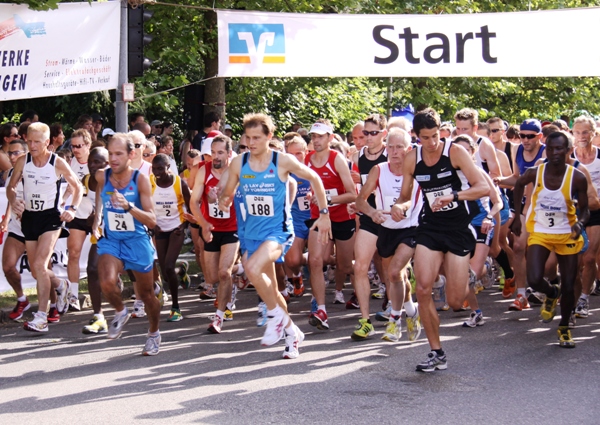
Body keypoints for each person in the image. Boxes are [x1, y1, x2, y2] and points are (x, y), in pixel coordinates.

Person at [218, 113, 331, 359]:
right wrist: (223, 199)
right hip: (250, 234)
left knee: (252, 268)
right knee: (271, 290)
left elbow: (315, 179)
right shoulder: (239, 162)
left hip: (277, 231)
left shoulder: (282, 161)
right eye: (248, 137)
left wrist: (324, 214)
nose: (252, 142)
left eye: (257, 137)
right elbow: (226, 193)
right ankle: (292, 332)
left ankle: (273, 318)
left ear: (269, 137)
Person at [393, 108, 487, 372]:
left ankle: (469, 275)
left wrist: (454, 197)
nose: (432, 143)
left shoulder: (455, 152)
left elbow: (482, 187)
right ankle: (436, 352)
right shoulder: (412, 159)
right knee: (423, 289)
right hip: (430, 228)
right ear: (416, 137)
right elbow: (405, 195)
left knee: (456, 303)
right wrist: (399, 207)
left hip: (457, 229)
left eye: (435, 136)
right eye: (426, 138)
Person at [511, 131, 589, 348]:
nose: (555, 153)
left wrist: (580, 223)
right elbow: (518, 186)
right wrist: (517, 216)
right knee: (534, 279)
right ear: (547, 149)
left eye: (560, 149)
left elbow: (585, 210)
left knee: (570, 284)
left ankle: (564, 327)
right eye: (551, 148)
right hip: (540, 232)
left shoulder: (577, 177)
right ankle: (551, 293)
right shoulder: (536, 172)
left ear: (567, 151)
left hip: (566, 235)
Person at [7, 122, 83, 333]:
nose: (32, 145)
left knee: (40, 264)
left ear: (47, 142)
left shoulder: (57, 162)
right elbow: (11, 187)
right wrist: (14, 201)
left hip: (51, 217)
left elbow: (77, 186)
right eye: (29, 141)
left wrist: (73, 209)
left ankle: (41, 316)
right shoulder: (24, 161)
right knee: (35, 268)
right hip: (29, 217)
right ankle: (61, 285)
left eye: (37, 142)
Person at [92, 133, 160, 355]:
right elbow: (99, 199)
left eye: (119, 154)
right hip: (112, 240)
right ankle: (121, 311)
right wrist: (96, 221)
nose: (113, 158)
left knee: (148, 294)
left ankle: (153, 333)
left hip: (137, 240)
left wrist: (128, 206)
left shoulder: (139, 179)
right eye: (111, 153)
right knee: (106, 281)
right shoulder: (103, 176)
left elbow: (152, 220)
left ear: (131, 155)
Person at [356, 128, 423, 342]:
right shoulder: (379, 170)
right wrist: (372, 211)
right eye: (391, 147)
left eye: (399, 147)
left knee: (395, 272)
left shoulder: (417, 171)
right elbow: (360, 200)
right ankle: (412, 310)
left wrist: (405, 207)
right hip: (387, 230)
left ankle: (394, 322)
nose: (394, 152)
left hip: (411, 229)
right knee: (397, 277)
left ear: (409, 149)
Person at [305, 120, 357, 332]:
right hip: (319, 219)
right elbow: (309, 189)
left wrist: (326, 200)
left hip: (342, 218)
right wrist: (311, 195)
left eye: (320, 136)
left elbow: (353, 194)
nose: (316, 140)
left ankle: (366, 277)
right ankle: (321, 309)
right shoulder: (307, 160)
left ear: (330, 138)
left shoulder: (337, 160)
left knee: (345, 266)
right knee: (315, 261)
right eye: (313, 136)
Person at [190, 135, 239, 333]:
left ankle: (218, 317)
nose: (216, 157)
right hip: (211, 228)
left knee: (223, 272)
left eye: (220, 152)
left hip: (233, 229)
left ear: (228, 153)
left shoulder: (236, 172)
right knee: (211, 278)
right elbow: (194, 202)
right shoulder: (204, 170)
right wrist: (203, 223)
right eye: (213, 153)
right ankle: (242, 270)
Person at [350, 113, 390, 340]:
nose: (369, 137)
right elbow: (363, 190)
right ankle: (366, 321)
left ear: (383, 134)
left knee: (393, 270)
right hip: (369, 216)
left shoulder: (392, 154)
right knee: (359, 267)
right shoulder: (359, 157)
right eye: (366, 133)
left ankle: (397, 312)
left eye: (374, 133)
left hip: (391, 217)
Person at [150, 154, 191, 322]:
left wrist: (184, 226)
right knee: (166, 272)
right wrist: (152, 225)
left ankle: (176, 307)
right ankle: (180, 271)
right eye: (154, 168)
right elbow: (146, 205)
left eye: (160, 168)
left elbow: (191, 207)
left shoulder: (179, 184)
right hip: (160, 229)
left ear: (168, 167)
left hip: (176, 229)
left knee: (167, 265)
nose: (157, 172)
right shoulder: (150, 183)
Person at [571, 115, 600, 318]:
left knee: (590, 258)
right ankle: (574, 294)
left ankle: (583, 299)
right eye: (578, 132)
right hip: (573, 214)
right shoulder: (568, 158)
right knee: (577, 261)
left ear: (593, 133)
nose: (581, 136)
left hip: (596, 210)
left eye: (585, 132)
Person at [81, 147, 110, 334]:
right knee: (92, 269)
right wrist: (94, 219)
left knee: (132, 271)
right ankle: (98, 316)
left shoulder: (122, 178)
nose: (92, 166)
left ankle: (147, 296)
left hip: (127, 232)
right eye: (90, 162)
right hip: (102, 231)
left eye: (97, 162)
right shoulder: (91, 180)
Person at [65, 129, 94, 311]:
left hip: (97, 215)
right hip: (78, 215)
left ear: (88, 145)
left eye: (79, 146)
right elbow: (68, 188)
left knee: (105, 256)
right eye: (72, 146)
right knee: (73, 253)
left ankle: (114, 282)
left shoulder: (97, 161)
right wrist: (62, 203)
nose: (75, 150)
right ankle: (73, 295)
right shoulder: (69, 164)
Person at [2, 139, 29, 320]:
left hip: (36, 228)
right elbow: (12, 195)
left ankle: (56, 299)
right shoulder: (10, 173)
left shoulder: (35, 169)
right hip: (17, 228)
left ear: (25, 153)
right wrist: (6, 217)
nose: (12, 157)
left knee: (41, 270)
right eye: (9, 153)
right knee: (8, 266)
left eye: (16, 153)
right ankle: (22, 299)